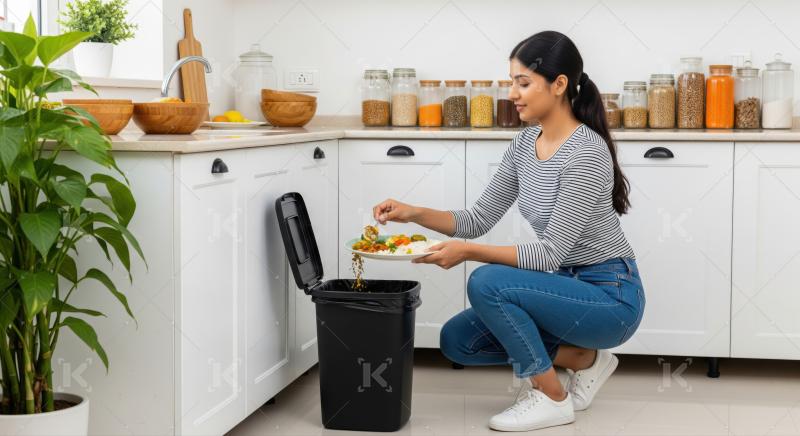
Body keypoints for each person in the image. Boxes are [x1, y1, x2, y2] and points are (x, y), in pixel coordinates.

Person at [372, 30, 645, 432]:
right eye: (511, 83)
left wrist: (467, 252)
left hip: (610, 297)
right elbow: (477, 218)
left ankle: (552, 396)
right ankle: (585, 359)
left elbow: (549, 253)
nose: (513, 94)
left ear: (559, 85)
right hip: (564, 288)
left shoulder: (586, 152)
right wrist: (413, 213)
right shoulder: (524, 144)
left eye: (523, 83)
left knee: (487, 282)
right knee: (457, 341)